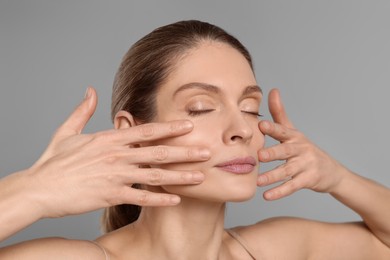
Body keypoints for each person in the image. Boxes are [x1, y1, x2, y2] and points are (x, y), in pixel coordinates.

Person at [0, 20, 389, 259]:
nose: (243, 128)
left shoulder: (275, 250)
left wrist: (339, 178)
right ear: (133, 135)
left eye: (251, 107)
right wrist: (34, 190)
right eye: (202, 107)